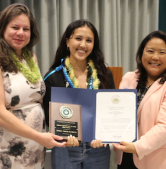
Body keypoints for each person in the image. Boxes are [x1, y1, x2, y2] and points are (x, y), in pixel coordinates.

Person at [0, 3, 66, 169]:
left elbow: (37, 99)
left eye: (26, 29)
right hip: (3, 148)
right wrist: (38, 136)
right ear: (2, 28)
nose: (20, 33)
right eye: (15, 27)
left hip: (34, 147)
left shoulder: (30, 58)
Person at [43, 19, 115, 169]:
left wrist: (105, 135)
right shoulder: (53, 77)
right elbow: (49, 118)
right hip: (65, 147)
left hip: (98, 147)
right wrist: (63, 136)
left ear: (94, 45)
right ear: (67, 42)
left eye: (89, 40)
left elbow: (110, 113)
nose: (83, 45)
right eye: (78, 38)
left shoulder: (104, 75)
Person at [113, 30, 166, 169]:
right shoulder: (129, 78)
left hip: (160, 161)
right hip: (126, 157)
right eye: (150, 51)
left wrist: (138, 146)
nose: (155, 57)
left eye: (162, 52)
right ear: (141, 53)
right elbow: (117, 114)